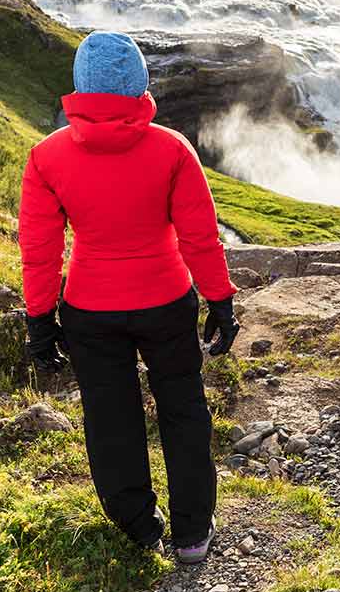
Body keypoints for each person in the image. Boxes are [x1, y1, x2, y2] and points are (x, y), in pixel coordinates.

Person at [17, 30, 240, 564]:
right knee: (183, 410)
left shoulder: (47, 158)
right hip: (166, 302)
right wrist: (220, 300)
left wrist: (39, 319)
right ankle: (191, 536)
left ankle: (139, 528)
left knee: (110, 418)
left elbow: (40, 249)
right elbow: (199, 237)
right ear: (140, 82)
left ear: (79, 86)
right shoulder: (171, 149)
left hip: (90, 310)